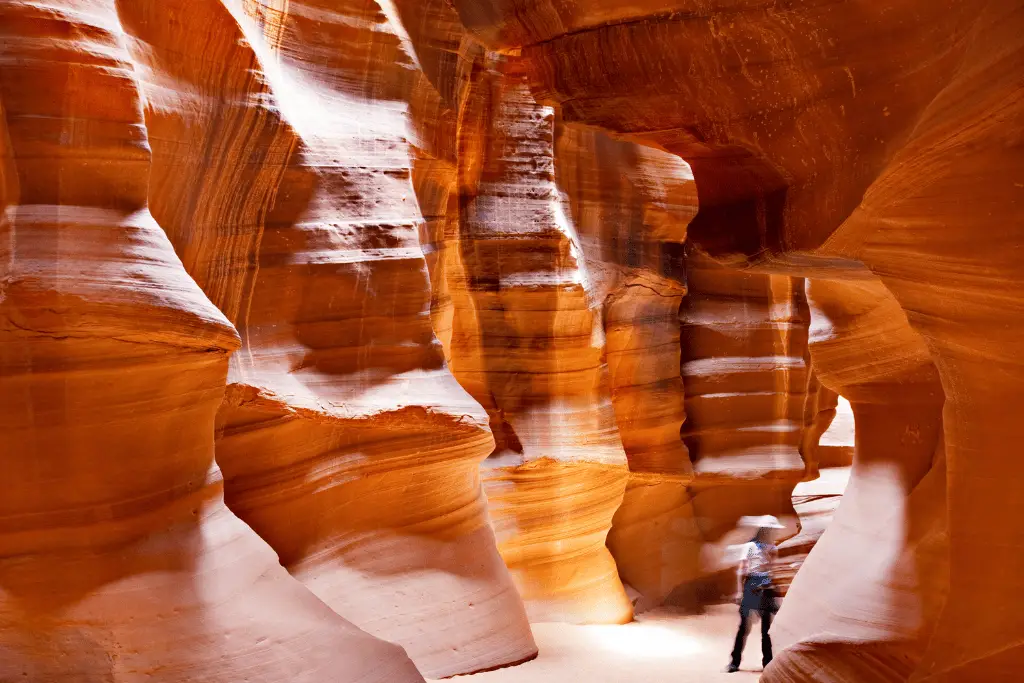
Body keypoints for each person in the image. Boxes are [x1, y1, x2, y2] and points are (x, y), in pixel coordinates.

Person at [726, 524, 778, 673]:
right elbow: (742, 569)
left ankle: (767, 663)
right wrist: (739, 591)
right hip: (751, 585)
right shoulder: (750, 546)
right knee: (744, 627)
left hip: (766, 587)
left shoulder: (773, 548)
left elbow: (772, 570)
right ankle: (734, 662)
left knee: (766, 629)